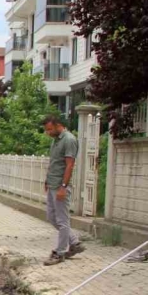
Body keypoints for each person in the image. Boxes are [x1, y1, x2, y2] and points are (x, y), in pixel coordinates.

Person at [42, 114, 85, 266]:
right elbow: (54, 162)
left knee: (62, 220)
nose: (48, 132)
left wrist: (63, 187)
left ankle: (60, 253)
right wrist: (47, 180)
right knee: (51, 216)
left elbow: (69, 165)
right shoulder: (56, 140)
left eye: (49, 129)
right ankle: (74, 242)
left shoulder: (69, 140)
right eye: (46, 130)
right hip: (53, 184)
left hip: (61, 186)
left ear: (58, 124)